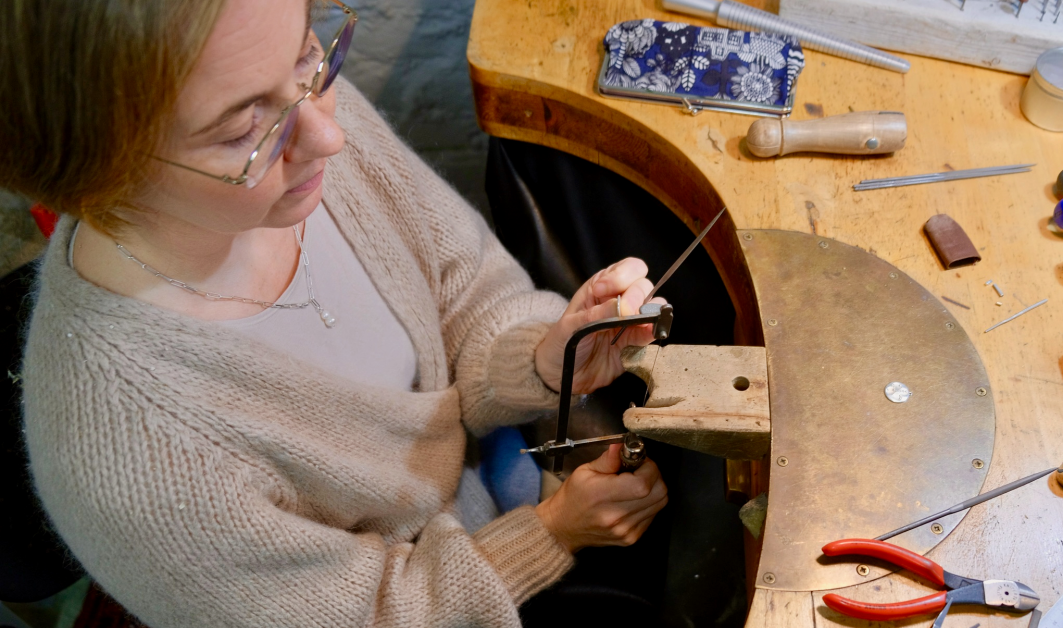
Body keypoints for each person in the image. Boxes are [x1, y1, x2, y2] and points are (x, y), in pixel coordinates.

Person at [0, 0, 669, 625]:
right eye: (243, 130)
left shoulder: (301, 130)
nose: (329, 134)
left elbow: (465, 283)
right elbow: (369, 614)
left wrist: (540, 357)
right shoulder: (140, 463)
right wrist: (547, 535)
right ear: (99, 171)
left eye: (307, 56)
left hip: (471, 487)